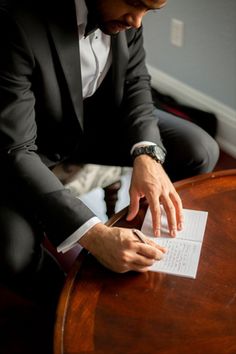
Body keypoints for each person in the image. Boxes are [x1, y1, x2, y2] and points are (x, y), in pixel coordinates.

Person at [0, 0, 219, 299]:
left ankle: (146, 241)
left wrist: (147, 154)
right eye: (135, 5)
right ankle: (69, 305)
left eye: (149, 11)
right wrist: (96, 236)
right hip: (27, 146)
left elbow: (136, 82)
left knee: (199, 149)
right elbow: (15, 149)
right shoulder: (13, 20)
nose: (138, 22)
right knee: (13, 255)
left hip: (89, 126)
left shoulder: (124, 16)